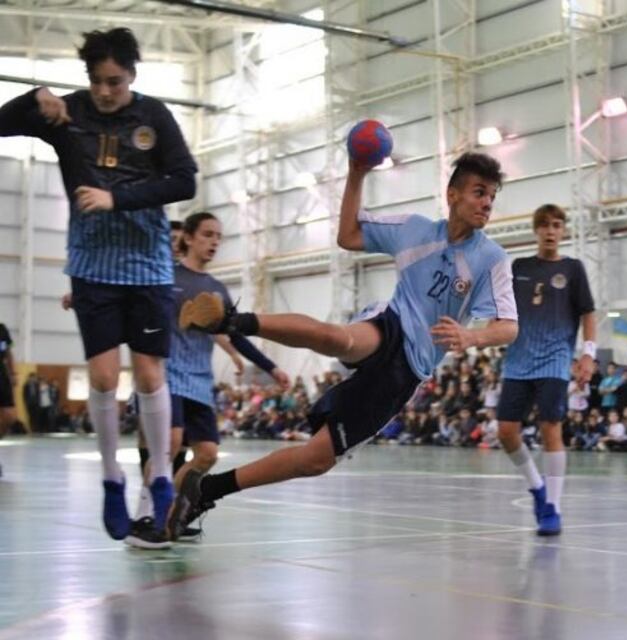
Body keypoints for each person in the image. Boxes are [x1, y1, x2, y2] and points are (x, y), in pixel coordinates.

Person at [166, 152, 518, 539]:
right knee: (339, 338)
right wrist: (356, 173)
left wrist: (471, 336)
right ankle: (231, 320)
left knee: (316, 460)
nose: (487, 203)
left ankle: (207, 489)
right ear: (452, 195)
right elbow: (348, 235)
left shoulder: (492, 259)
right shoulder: (415, 229)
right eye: (479, 192)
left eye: (492, 196)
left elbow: (508, 327)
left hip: (409, 372)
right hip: (391, 324)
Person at [0, 28, 197, 540]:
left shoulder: (153, 115)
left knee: (151, 376)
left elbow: (184, 180)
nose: (105, 92)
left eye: (114, 81)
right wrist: (31, 100)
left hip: (148, 264)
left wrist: (117, 199)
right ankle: (111, 476)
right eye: (96, 81)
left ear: (132, 74)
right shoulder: (70, 113)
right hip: (91, 264)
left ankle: (157, 475)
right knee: (106, 378)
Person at [125, 212, 289, 548]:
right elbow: (134, 309)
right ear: (187, 237)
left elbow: (235, 334)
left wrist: (270, 367)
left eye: (218, 236)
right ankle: (143, 517)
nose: (214, 241)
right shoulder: (165, 276)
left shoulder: (216, 290)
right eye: (207, 234)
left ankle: (173, 514)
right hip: (166, 372)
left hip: (199, 378)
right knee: (168, 444)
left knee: (207, 454)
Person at [494, 204, 594, 535]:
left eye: (557, 225)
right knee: (506, 431)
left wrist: (588, 355)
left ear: (563, 230)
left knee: (551, 427)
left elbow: (587, 314)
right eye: (545, 226)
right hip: (518, 360)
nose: (551, 231)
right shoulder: (518, 267)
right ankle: (536, 486)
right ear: (535, 230)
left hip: (555, 359)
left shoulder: (574, 268)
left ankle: (553, 506)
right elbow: (502, 307)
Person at [0, 322, 16, 477]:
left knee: (10, 416)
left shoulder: (2, 328)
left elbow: (9, 352)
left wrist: (13, 373)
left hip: (2, 376)